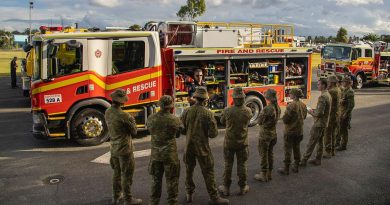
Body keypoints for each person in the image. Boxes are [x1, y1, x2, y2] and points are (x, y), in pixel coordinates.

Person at [181, 87, 229, 205]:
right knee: (208, 172)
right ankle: (214, 197)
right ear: (206, 100)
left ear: (195, 98)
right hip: (202, 148)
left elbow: (182, 130)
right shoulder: (208, 114)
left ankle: (189, 194)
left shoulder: (186, 111)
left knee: (189, 171)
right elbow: (213, 134)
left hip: (189, 148)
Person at [105, 89, 142, 205]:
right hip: (125, 149)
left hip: (113, 148)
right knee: (127, 175)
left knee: (116, 173)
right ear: (122, 102)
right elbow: (134, 132)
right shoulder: (125, 116)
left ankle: (116, 197)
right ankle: (128, 199)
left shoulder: (108, 112)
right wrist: (133, 121)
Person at [146, 95, 183, 205]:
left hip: (156, 155)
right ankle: (172, 202)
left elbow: (149, 130)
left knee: (155, 180)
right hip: (170, 155)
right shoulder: (175, 119)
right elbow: (178, 134)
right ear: (170, 106)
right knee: (172, 179)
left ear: (160, 105)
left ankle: (154, 202)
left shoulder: (151, 118)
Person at [217, 87, 252, 196]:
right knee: (242, 165)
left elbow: (222, 121)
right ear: (243, 98)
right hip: (242, 143)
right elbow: (248, 121)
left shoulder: (228, 110)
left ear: (234, 98)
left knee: (228, 165)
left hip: (229, 143)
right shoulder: (248, 111)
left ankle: (226, 187)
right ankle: (243, 186)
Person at [300, 79, 331, 166]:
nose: (317, 86)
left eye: (318, 84)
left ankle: (303, 160)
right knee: (319, 142)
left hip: (319, 123)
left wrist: (310, 111)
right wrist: (314, 110)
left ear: (323, 85)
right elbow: (322, 110)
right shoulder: (328, 94)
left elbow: (319, 113)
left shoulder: (323, 97)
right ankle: (318, 159)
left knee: (311, 142)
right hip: (324, 122)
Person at [277, 88, 307, 175]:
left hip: (290, 131)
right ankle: (296, 166)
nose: (289, 95)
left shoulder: (291, 105)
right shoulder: (303, 105)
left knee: (288, 150)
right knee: (297, 148)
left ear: (294, 95)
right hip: (299, 131)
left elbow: (286, 120)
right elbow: (304, 117)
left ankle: (286, 168)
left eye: (290, 94)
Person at [254, 89, 281, 182]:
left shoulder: (268, 108)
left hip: (265, 135)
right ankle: (269, 173)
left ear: (268, 97)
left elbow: (259, 121)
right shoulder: (277, 107)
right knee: (270, 153)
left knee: (263, 155)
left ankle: (263, 174)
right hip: (273, 134)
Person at [323, 75, 341, 158]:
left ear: (331, 82)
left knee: (328, 134)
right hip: (336, 114)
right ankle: (332, 150)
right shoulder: (338, 89)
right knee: (333, 133)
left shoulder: (332, 91)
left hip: (331, 115)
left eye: (328, 82)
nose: (327, 83)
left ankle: (328, 152)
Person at [336, 76, 355, 151]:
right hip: (341, 111)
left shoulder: (349, 91)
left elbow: (351, 105)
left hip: (345, 113)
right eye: (342, 82)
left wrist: (346, 114)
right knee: (340, 129)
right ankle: (338, 142)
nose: (342, 83)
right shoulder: (345, 90)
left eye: (344, 82)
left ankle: (343, 145)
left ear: (348, 83)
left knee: (344, 131)